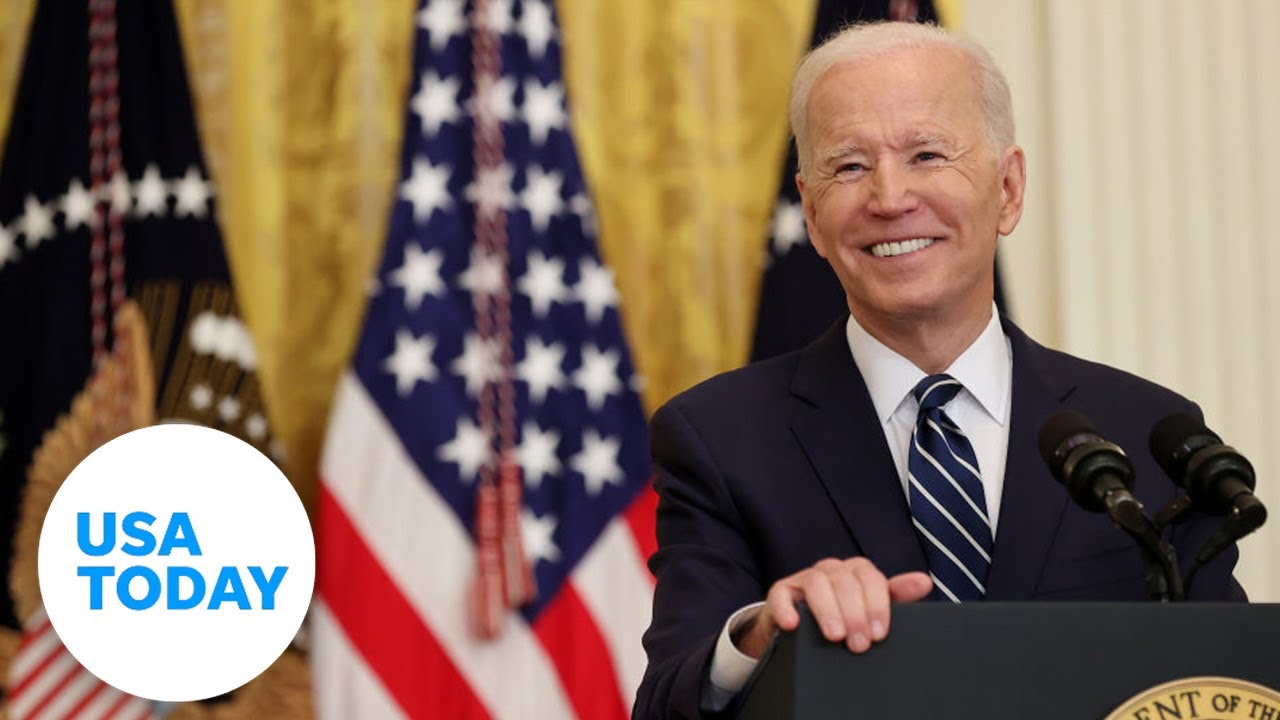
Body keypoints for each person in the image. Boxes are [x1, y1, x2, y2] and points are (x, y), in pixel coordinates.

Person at [632, 21, 1246, 720]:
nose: (890, 199)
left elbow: (1223, 687)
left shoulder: (1147, 434)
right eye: (850, 166)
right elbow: (667, 705)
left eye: (926, 154)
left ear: (1008, 189)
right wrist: (762, 633)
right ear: (809, 208)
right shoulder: (720, 438)